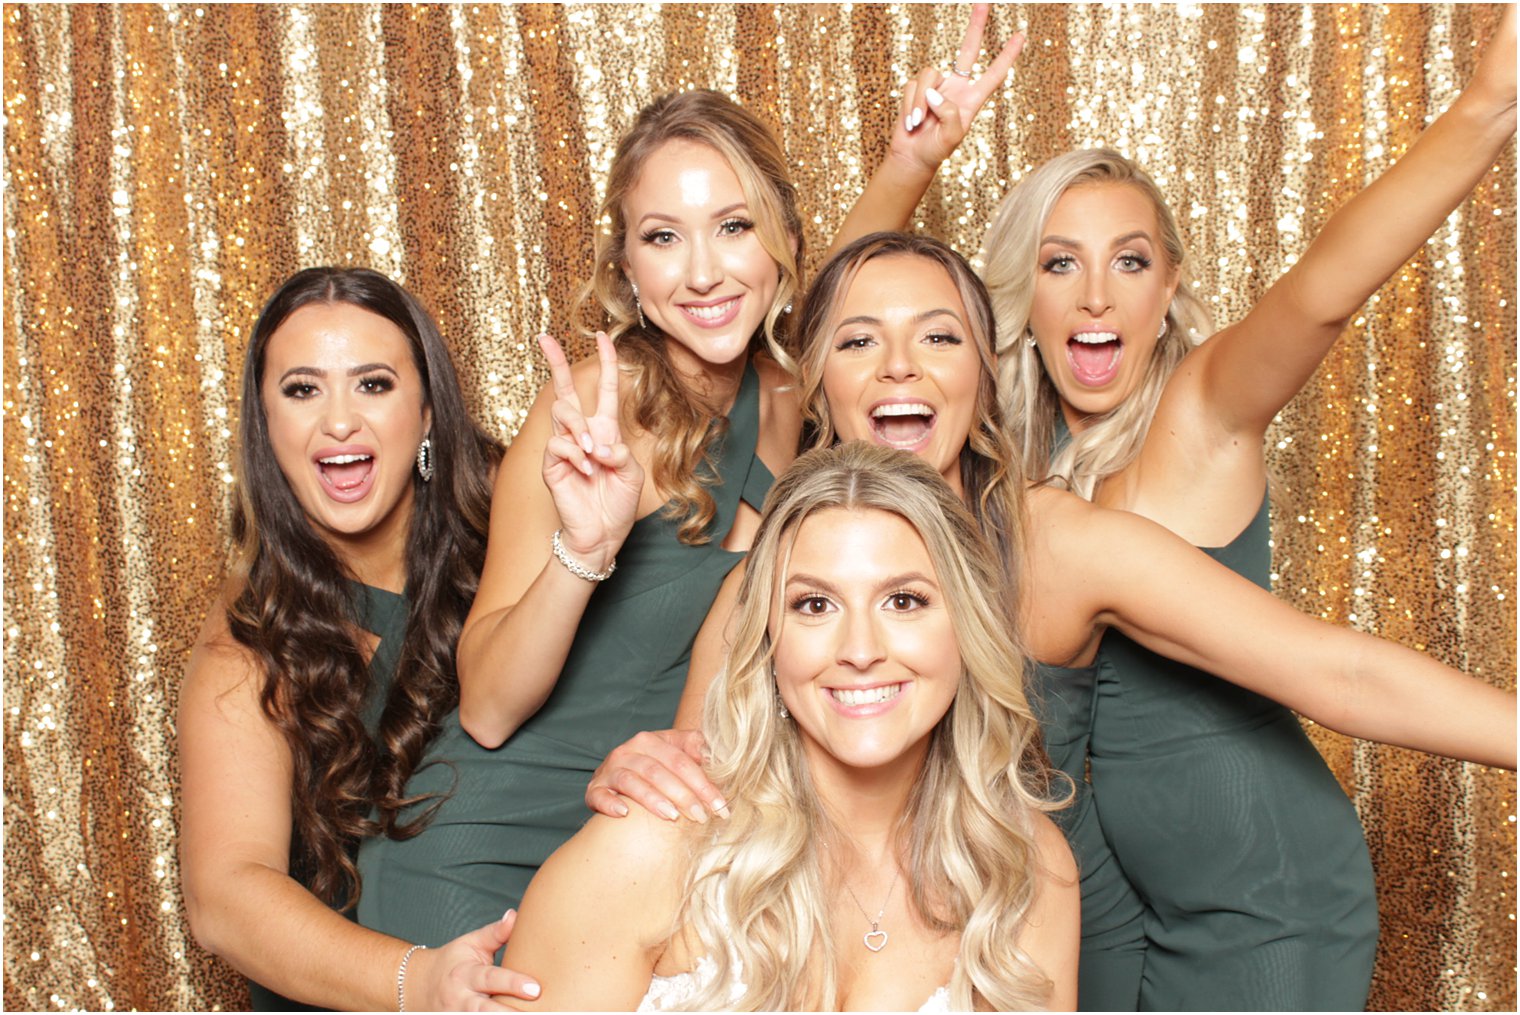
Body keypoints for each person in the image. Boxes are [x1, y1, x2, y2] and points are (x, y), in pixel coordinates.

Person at [588, 233, 1516, 1010]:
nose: (900, 365)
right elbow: (701, 806)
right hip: (856, 952)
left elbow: (1334, 670)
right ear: (817, 384)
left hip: (1045, 940)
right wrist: (640, 767)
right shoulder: (768, 582)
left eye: (939, 336)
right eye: (859, 340)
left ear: (983, 379)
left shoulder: (1052, 540)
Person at [972, 11, 1516, 1009]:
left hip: (1264, 906)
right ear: (1020, 292)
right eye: (1059, 263)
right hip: (1116, 910)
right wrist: (911, 161)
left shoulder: (1196, 416)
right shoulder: (1012, 470)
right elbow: (839, 364)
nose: (1095, 297)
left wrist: (1486, 106)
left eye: (1129, 262)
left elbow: (1317, 297)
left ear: (1169, 285)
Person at [353, 88, 806, 948]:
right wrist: (584, 548)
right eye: (664, 237)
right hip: (480, 852)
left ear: (782, 240)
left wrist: (913, 160)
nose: (704, 271)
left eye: (735, 226)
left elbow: (875, 303)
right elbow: (485, 705)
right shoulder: (604, 399)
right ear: (629, 270)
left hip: (645, 842)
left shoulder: (793, 388)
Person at [501, 442, 1081, 1011]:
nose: (860, 650)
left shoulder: (1025, 869)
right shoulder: (644, 852)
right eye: (814, 605)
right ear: (768, 639)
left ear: (967, 626)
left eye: (903, 601)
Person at [178, 267, 540, 1010]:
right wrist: (417, 980)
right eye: (302, 390)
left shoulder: (526, 536)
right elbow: (223, 897)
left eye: (372, 384)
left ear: (429, 408)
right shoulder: (249, 642)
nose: (339, 422)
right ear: (264, 423)